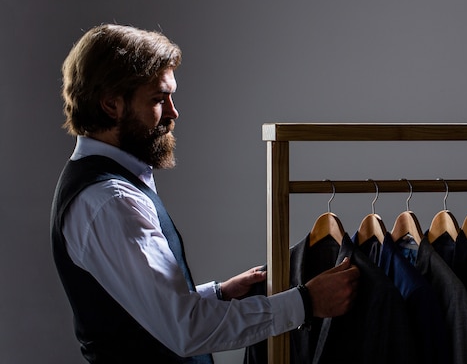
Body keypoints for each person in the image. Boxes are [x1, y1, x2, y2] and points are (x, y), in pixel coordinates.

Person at [50, 23, 360, 363]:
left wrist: (218, 295)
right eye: (158, 98)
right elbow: (185, 330)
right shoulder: (111, 202)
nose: (173, 112)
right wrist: (305, 303)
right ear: (111, 104)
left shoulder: (107, 188)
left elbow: (141, 308)